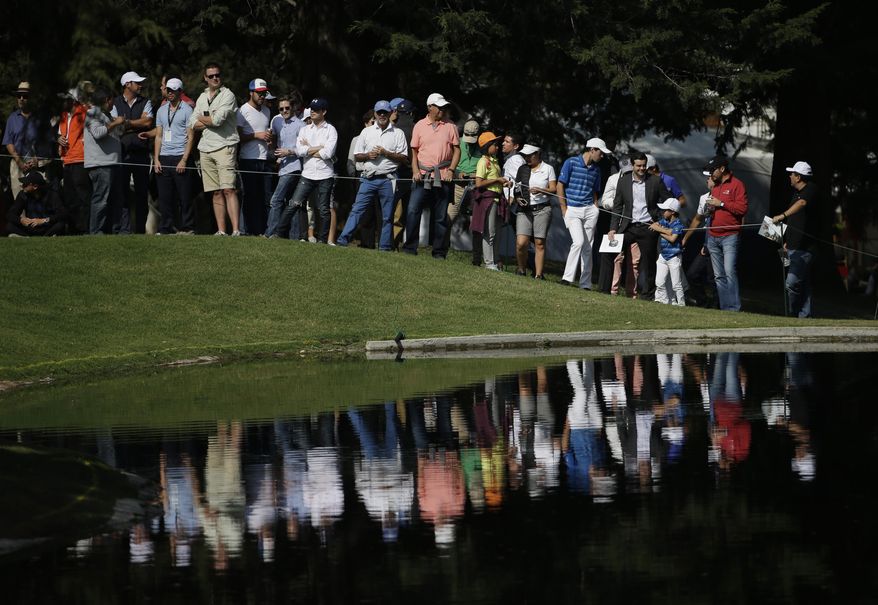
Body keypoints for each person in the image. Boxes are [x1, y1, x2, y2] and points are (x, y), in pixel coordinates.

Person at [336, 100, 409, 250]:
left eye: (385, 112)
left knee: (387, 216)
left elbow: (403, 158)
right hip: (368, 178)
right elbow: (357, 156)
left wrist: (386, 153)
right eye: (379, 112)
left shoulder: (398, 133)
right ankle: (342, 240)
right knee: (357, 210)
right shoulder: (366, 132)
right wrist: (369, 155)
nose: (382, 115)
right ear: (375, 114)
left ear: (390, 113)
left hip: (388, 179)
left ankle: (384, 247)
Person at [607, 152, 671, 300]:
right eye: (639, 166)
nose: (642, 168)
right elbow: (617, 206)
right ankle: (608, 289)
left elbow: (668, 202)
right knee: (610, 252)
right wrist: (613, 228)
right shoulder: (623, 181)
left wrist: (659, 221)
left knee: (648, 263)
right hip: (628, 226)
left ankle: (647, 295)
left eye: (644, 165)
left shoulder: (655, 181)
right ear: (632, 165)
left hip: (648, 226)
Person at [403, 92, 460, 258]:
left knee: (441, 217)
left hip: (442, 176)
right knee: (413, 211)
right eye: (439, 107)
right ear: (430, 107)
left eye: (444, 107)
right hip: (422, 175)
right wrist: (414, 171)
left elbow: (457, 150)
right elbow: (414, 151)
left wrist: (451, 170)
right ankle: (409, 248)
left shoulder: (451, 126)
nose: (443, 110)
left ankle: (439, 252)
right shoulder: (420, 125)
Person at [189, 62, 241, 236]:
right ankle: (221, 231)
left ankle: (236, 230)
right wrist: (207, 119)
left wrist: (201, 117)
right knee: (216, 192)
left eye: (217, 75)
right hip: (205, 148)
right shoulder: (202, 97)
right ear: (205, 78)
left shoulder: (228, 95)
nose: (214, 78)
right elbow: (191, 124)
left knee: (229, 189)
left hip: (225, 146)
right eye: (210, 76)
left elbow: (217, 121)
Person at [558, 137, 611, 288]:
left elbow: (594, 191)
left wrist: (595, 207)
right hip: (572, 209)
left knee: (588, 247)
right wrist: (564, 208)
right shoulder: (571, 162)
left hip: (590, 210)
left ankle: (585, 283)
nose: (602, 156)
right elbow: (560, 186)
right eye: (600, 152)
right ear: (592, 149)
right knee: (578, 242)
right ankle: (567, 278)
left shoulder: (596, 169)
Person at [772, 160, 818, 317]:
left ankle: (791, 314)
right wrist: (786, 242)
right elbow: (795, 221)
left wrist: (783, 215)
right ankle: (805, 316)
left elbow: (802, 204)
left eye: (792, 174)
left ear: (798, 177)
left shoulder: (811, 189)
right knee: (803, 284)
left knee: (791, 283)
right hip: (791, 246)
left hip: (804, 249)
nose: (790, 176)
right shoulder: (795, 194)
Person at [703, 155, 749, 311]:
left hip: (730, 235)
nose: (711, 174)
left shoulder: (737, 185)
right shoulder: (715, 186)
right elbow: (715, 209)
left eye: (712, 170)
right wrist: (710, 208)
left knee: (729, 271)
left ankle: (734, 307)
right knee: (718, 276)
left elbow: (742, 209)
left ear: (722, 169)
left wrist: (721, 203)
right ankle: (725, 308)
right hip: (713, 235)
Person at [290, 97, 338, 243]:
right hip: (308, 173)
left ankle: (323, 241)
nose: (313, 112)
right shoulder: (305, 129)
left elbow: (328, 154)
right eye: (312, 109)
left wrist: (308, 148)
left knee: (323, 209)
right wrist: (318, 147)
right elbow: (300, 151)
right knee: (299, 204)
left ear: (324, 112)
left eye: (316, 110)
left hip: (324, 174)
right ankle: (303, 236)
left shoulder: (331, 130)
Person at [112, 71, 154, 233]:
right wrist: (137, 123)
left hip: (141, 153)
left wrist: (127, 123)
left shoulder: (146, 101)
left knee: (142, 194)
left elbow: (148, 121)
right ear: (127, 84)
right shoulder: (115, 102)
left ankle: (140, 230)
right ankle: (124, 229)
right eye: (137, 82)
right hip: (121, 154)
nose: (140, 85)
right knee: (122, 193)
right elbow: (116, 126)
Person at [153, 78, 195, 235]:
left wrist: (184, 159)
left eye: (173, 90)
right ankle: (166, 227)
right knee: (164, 197)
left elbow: (191, 137)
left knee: (184, 196)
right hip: (164, 157)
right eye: (168, 90)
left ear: (180, 91)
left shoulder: (187, 109)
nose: (170, 93)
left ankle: (188, 227)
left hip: (180, 156)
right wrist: (156, 158)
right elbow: (158, 135)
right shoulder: (161, 110)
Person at [84, 87, 126, 234]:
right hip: (101, 164)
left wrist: (118, 123)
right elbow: (98, 133)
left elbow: (115, 133)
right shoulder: (92, 113)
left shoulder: (105, 115)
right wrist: (115, 123)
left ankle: (111, 230)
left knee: (113, 200)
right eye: (112, 100)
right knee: (101, 199)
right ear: (106, 100)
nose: (113, 104)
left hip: (111, 163)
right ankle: (96, 232)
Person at [236, 78, 273, 236]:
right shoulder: (242, 111)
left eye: (264, 93)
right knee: (249, 196)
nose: (262, 96)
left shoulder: (267, 111)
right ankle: (246, 230)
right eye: (259, 93)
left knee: (264, 197)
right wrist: (256, 135)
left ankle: (261, 230)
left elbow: (266, 133)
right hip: (248, 159)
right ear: (251, 93)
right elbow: (237, 137)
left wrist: (269, 138)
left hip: (264, 159)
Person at [513, 144, 556, 279]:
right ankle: (521, 269)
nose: (527, 158)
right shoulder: (522, 169)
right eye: (525, 156)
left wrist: (541, 190)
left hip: (542, 209)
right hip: (524, 209)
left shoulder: (548, 169)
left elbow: (553, 189)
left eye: (530, 155)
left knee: (539, 243)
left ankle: (538, 274)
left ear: (537, 154)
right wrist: (517, 199)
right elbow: (517, 189)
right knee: (521, 243)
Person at [598, 156, 638, 296]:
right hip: (617, 222)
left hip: (634, 223)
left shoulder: (638, 180)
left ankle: (632, 292)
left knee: (634, 260)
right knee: (613, 256)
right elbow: (604, 201)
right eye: (625, 171)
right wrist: (617, 202)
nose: (628, 174)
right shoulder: (613, 179)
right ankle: (609, 289)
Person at [266, 93, 304, 238]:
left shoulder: (301, 126)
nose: (284, 111)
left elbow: (303, 151)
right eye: (281, 109)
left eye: (287, 108)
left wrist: (288, 152)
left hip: (294, 167)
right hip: (282, 167)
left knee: (275, 200)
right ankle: (294, 236)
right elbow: (274, 142)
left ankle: (271, 233)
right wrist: (271, 144)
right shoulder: (277, 122)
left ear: (292, 107)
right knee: (291, 202)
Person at [57, 82, 94, 233]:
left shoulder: (84, 112)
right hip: (67, 160)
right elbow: (60, 134)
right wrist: (58, 139)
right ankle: (73, 230)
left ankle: (86, 229)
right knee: (70, 198)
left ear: (72, 100)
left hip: (81, 160)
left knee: (83, 197)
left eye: (65, 100)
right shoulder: (63, 116)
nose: (62, 103)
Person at [471, 132, 508, 270]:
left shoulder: (493, 161)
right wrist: (497, 180)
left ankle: (493, 260)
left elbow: (492, 181)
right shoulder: (483, 161)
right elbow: (479, 183)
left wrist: (502, 183)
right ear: (487, 146)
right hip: (488, 199)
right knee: (489, 231)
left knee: (496, 232)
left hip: (497, 198)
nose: (497, 147)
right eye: (495, 145)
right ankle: (488, 262)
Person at [681, 172, 717, 307]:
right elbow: (697, 220)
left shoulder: (725, 196)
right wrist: (685, 238)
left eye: (709, 178)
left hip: (719, 242)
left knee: (713, 278)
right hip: (707, 243)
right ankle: (703, 302)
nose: (707, 180)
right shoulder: (704, 198)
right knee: (692, 275)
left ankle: (716, 305)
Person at [3, 82, 40, 201]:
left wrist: (37, 160)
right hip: (17, 164)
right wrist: (18, 161)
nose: (21, 99)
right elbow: (8, 142)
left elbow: (46, 142)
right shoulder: (12, 118)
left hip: (37, 165)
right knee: (19, 201)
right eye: (19, 96)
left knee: (38, 201)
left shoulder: (39, 118)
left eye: (25, 96)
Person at [451, 119, 481, 263]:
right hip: (458, 185)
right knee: (448, 218)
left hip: (476, 187)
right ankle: (440, 252)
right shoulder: (457, 142)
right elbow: (450, 163)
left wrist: (478, 174)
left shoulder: (483, 145)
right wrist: (458, 173)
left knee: (476, 225)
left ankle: (476, 259)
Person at [6, 171, 70, 236]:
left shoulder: (52, 195)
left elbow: (63, 214)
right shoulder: (23, 195)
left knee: (60, 225)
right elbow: (10, 214)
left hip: (47, 227)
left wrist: (44, 220)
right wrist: (21, 220)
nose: (22, 186)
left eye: (25, 184)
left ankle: (47, 236)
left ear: (35, 186)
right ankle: (28, 238)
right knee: (10, 226)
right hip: (31, 227)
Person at [389, 97, 415, 250]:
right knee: (404, 213)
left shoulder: (393, 129)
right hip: (410, 173)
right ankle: (395, 243)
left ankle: (390, 242)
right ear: (411, 113)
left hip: (394, 172)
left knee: (393, 211)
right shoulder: (415, 128)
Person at [650, 197, 686, 305]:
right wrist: (666, 231)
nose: (662, 212)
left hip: (674, 257)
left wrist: (659, 231)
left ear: (673, 212)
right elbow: (655, 224)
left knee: (676, 284)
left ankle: (681, 304)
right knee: (659, 282)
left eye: (665, 210)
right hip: (663, 256)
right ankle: (663, 302)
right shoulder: (664, 221)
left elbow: (672, 238)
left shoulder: (679, 225)